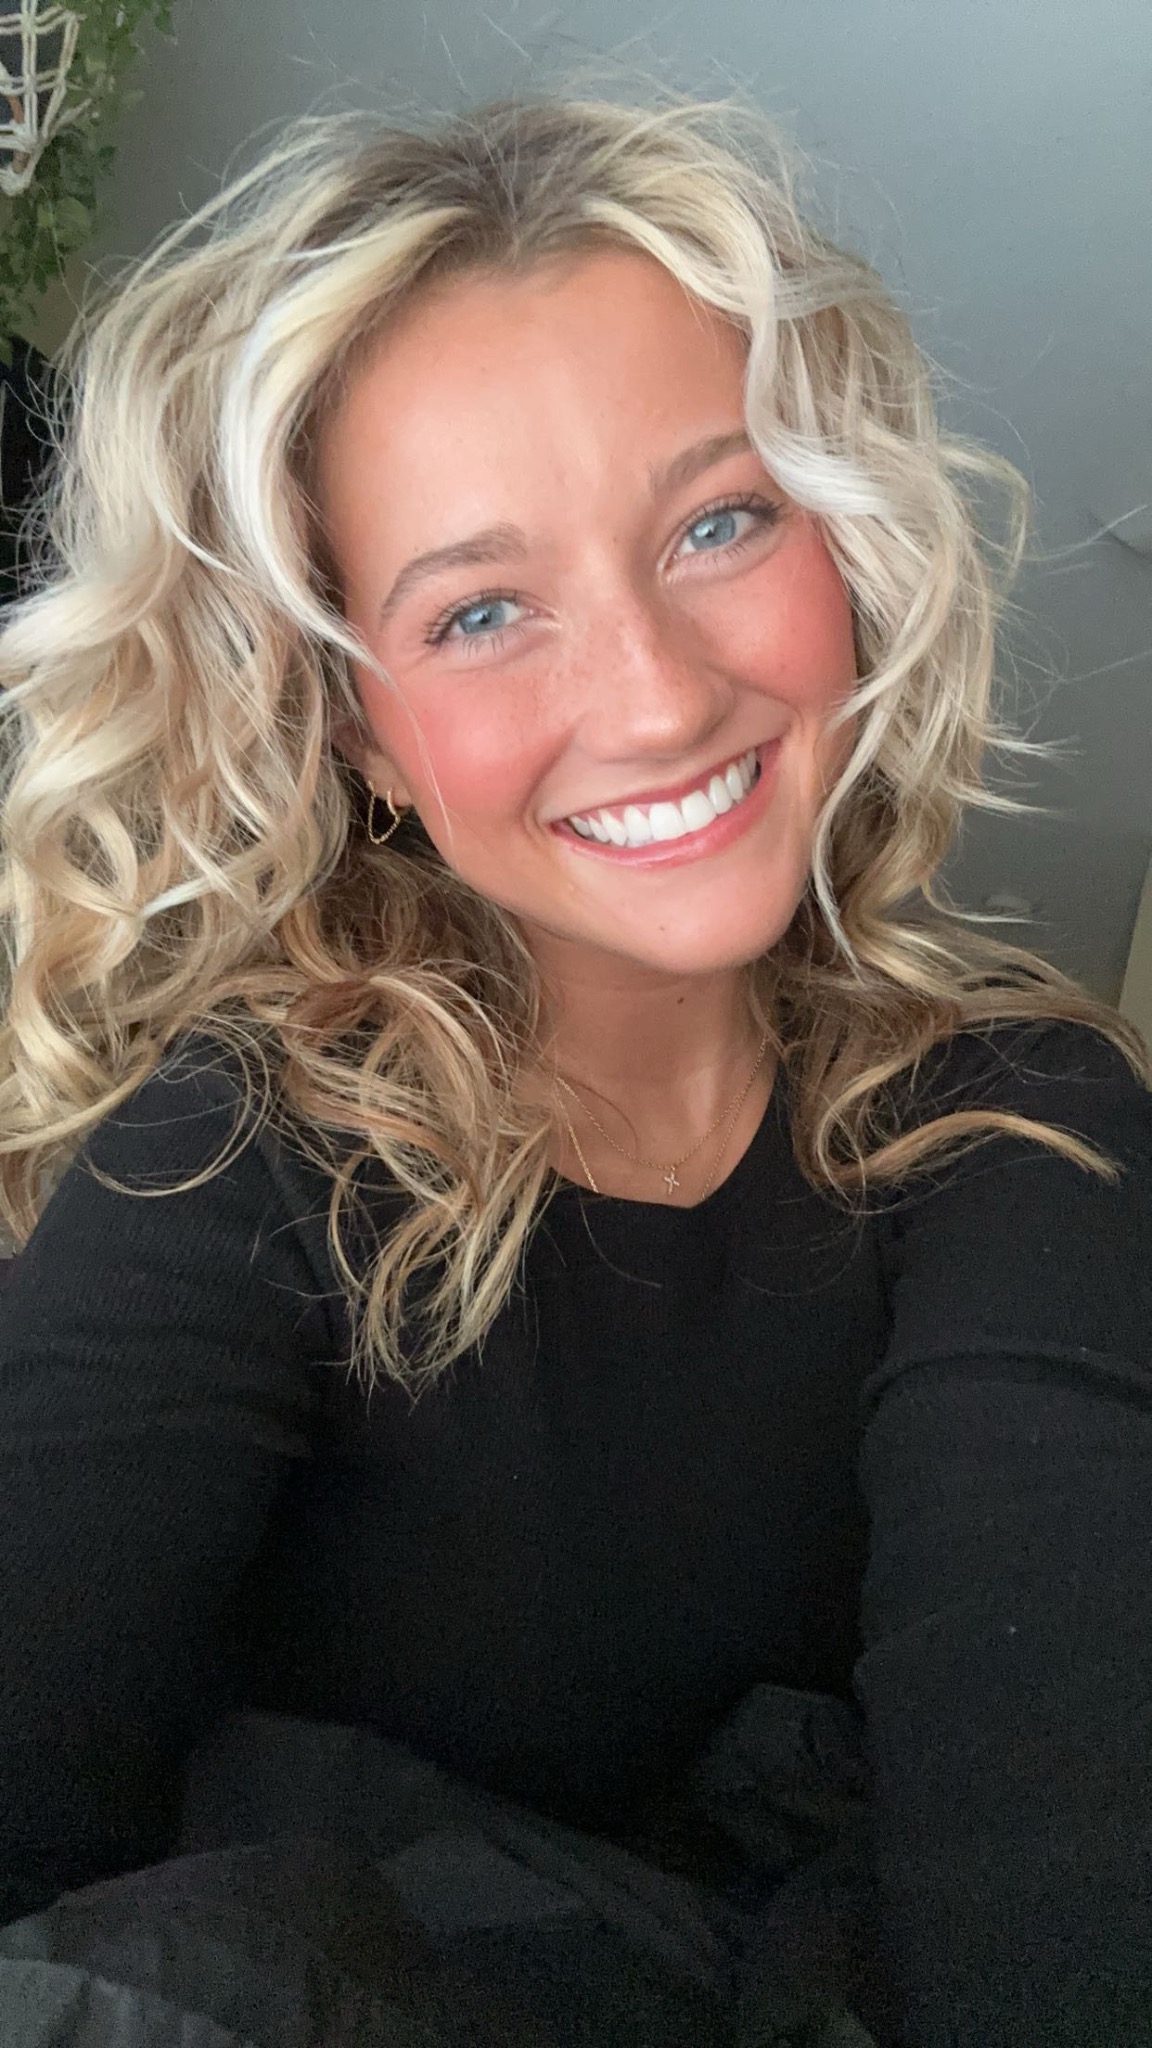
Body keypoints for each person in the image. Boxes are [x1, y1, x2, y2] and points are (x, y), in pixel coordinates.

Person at [0, 91, 1148, 2048]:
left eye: (720, 521)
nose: (657, 692)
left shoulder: (1024, 1124)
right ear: (358, 727)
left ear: (848, 546)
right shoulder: (230, 1153)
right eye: (480, 610)